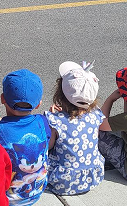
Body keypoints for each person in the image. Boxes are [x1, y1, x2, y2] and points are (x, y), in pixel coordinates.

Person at [45, 61, 105, 195]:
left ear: (61, 94)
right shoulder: (96, 115)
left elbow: (48, 146)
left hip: (63, 181)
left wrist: (54, 119)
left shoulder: (56, 120)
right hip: (91, 178)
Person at [0, 69, 51, 206]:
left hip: (5, 199)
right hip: (36, 193)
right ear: (38, 104)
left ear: (2, 99)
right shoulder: (43, 122)